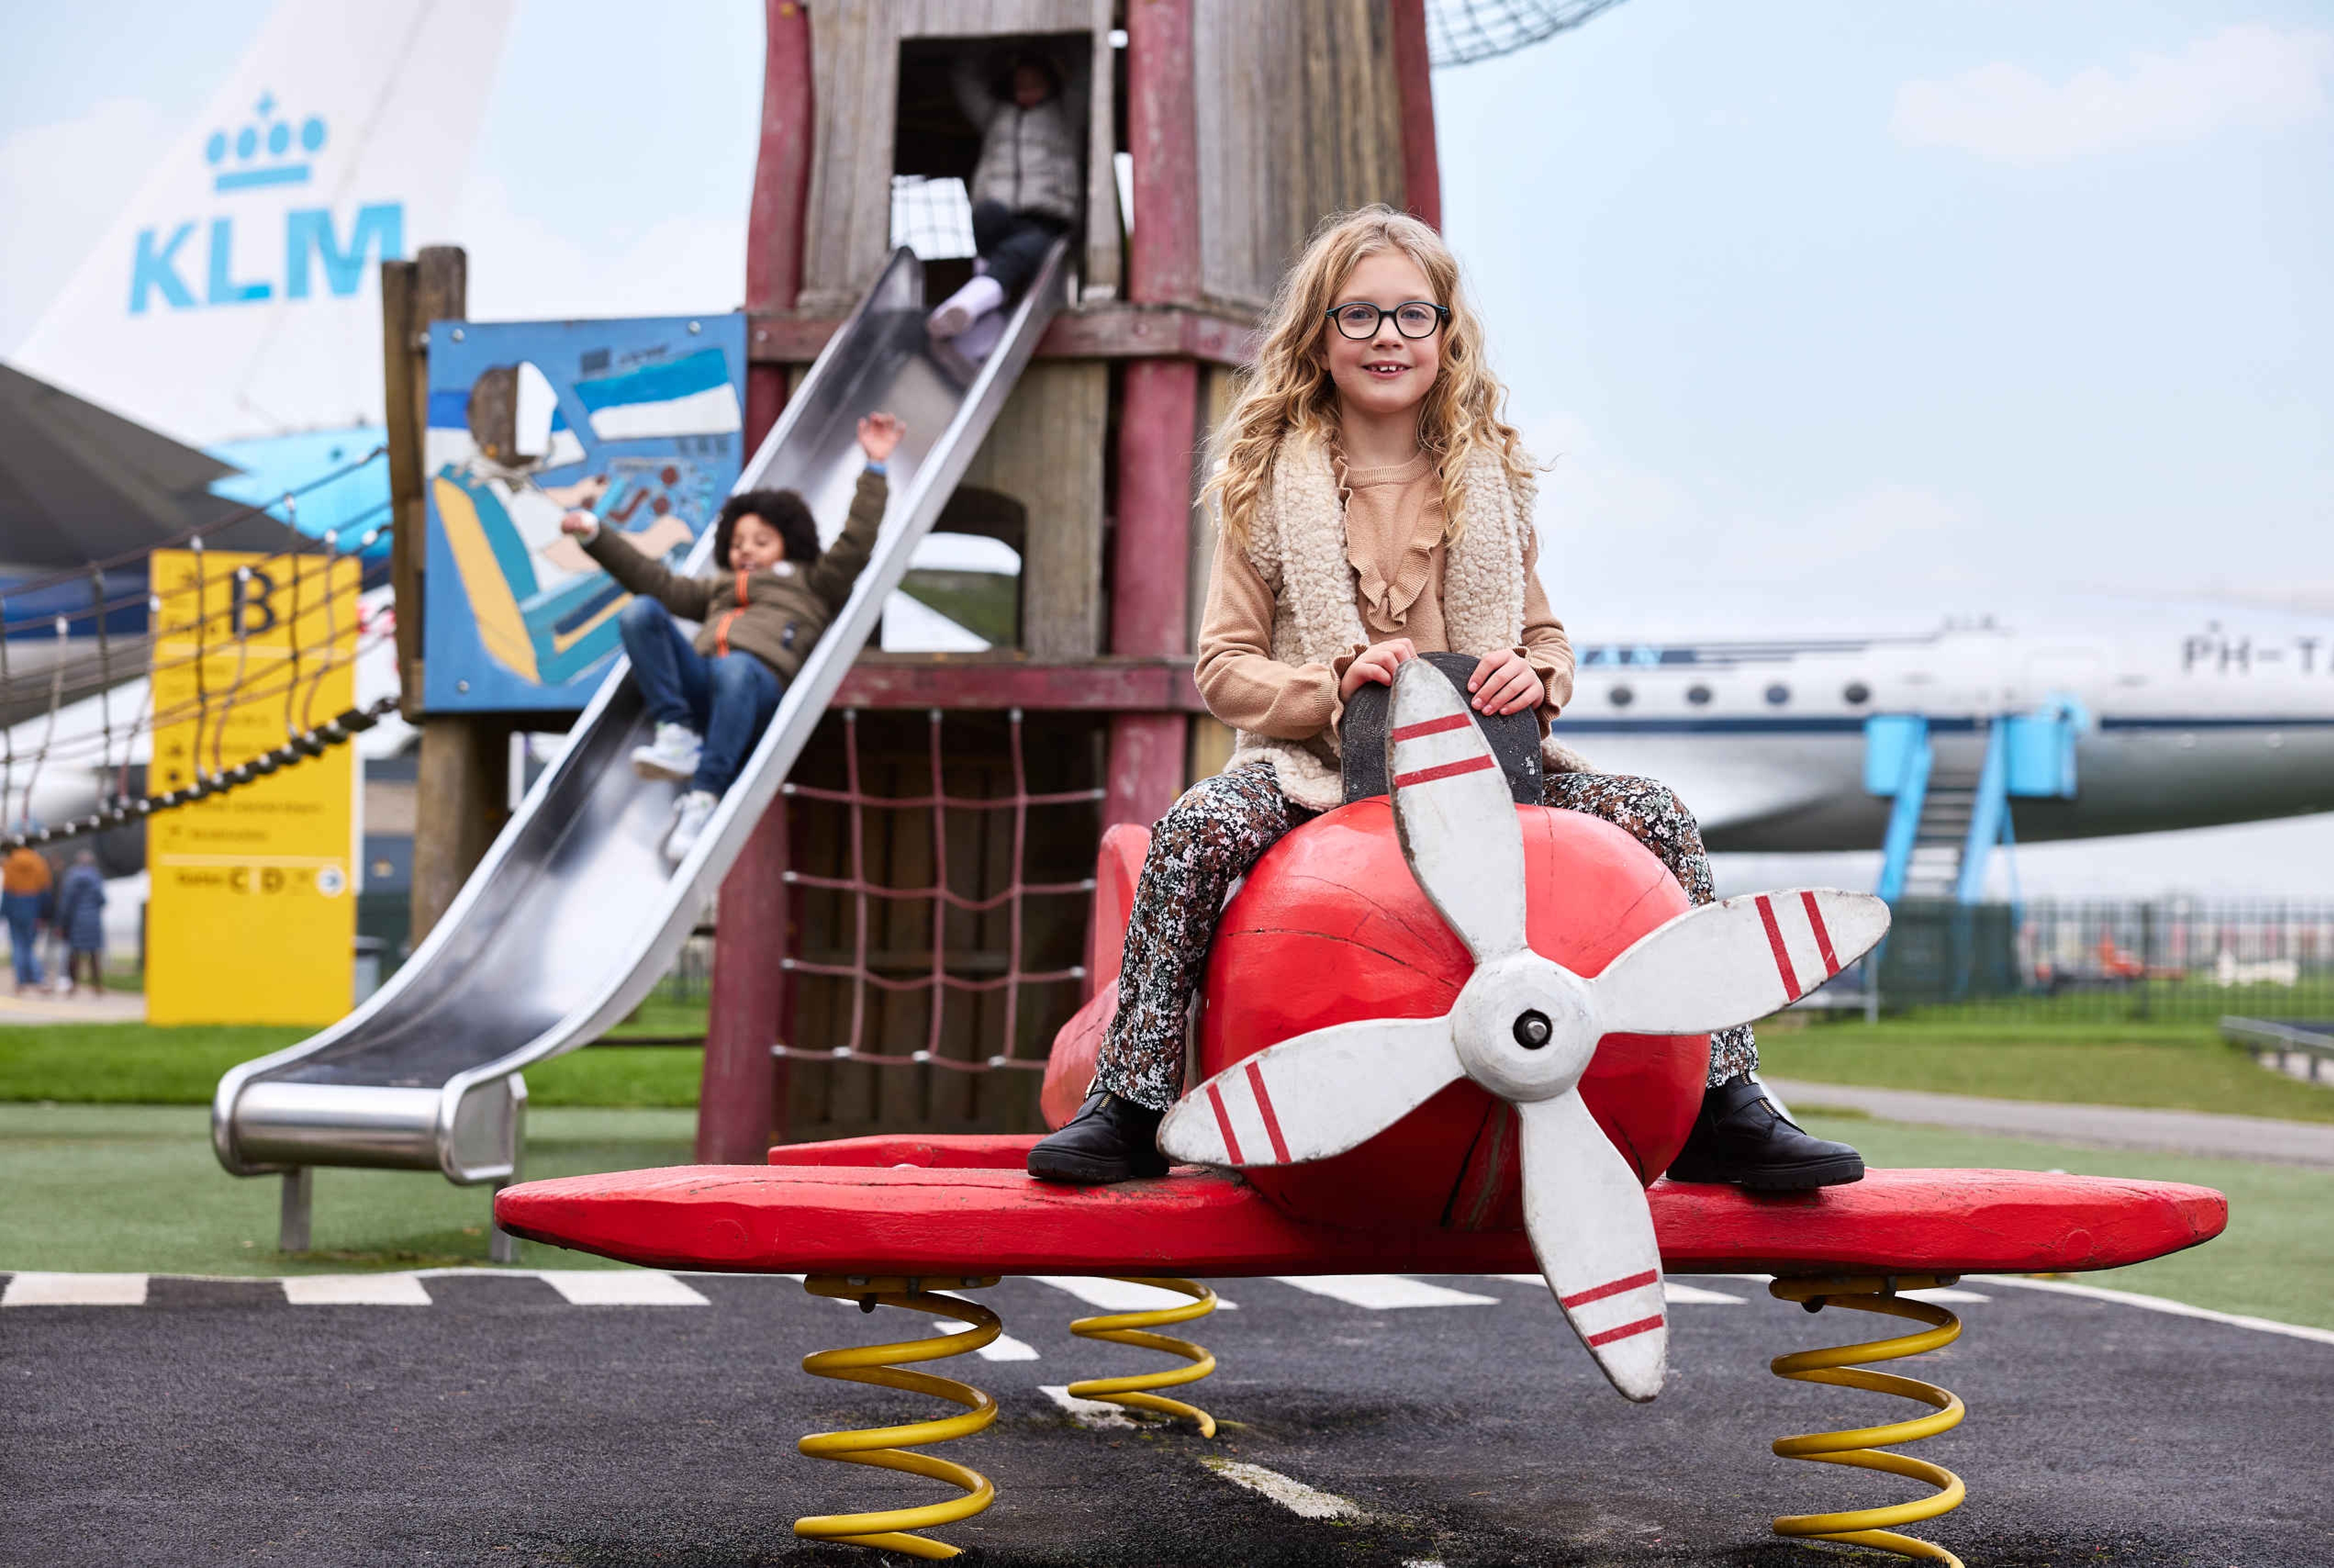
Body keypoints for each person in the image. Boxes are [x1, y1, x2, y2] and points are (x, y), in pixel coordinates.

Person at [1026, 206, 1863, 1193]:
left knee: (1662, 821)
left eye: (1412, 316)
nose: (1388, 338)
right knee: (1194, 829)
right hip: (1319, 774)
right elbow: (1223, 666)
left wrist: (1537, 678)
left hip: (1495, 775)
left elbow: (1547, 637)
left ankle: (1727, 1101)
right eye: (1361, 316)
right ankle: (1129, 1102)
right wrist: (1326, 688)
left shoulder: (1492, 481)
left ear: (1446, 334)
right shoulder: (1264, 483)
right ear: (1320, 336)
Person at [561, 412, 906, 864]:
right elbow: (654, 582)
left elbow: (857, 543)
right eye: (740, 541)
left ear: (790, 544)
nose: (747, 549)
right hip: (708, 686)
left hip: (756, 689)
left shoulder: (815, 583)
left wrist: (875, 467)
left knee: (737, 668)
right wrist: (597, 537)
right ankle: (677, 732)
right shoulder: (717, 591)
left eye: (762, 541)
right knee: (641, 612)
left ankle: (703, 798)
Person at [926, 48, 1083, 346]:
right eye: (1021, 86)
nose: (1027, 93)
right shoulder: (996, 115)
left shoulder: (1066, 114)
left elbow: (1087, 69)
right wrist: (1005, 48)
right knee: (986, 216)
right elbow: (965, 77)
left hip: (1045, 220)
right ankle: (991, 293)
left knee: (1019, 251)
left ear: (1051, 83)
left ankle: (970, 304)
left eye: (1035, 85)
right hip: (1002, 216)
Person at [1, 840, 50, 995]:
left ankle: (20, 982)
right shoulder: (39, 863)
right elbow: (44, 892)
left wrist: (3, 914)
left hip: (15, 907)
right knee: (29, 946)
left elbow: (7, 892)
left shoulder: (10, 863)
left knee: (18, 946)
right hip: (32, 907)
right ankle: (39, 979)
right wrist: (44, 914)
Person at [54, 849, 105, 996]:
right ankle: (97, 986)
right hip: (93, 920)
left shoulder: (71, 877)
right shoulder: (96, 876)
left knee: (74, 954)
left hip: (76, 920)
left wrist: (61, 923)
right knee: (94, 953)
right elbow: (102, 900)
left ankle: (74, 985)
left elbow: (66, 903)